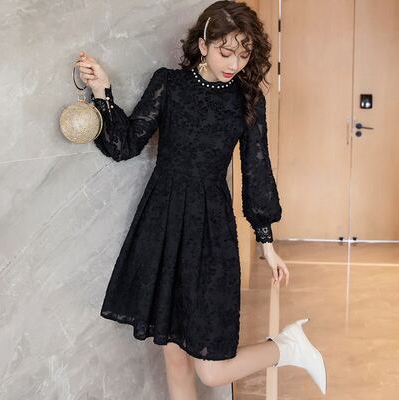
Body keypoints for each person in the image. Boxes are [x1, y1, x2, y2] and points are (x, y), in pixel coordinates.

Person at [75, 1, 327, 398]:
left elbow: (257, 169)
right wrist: (102, 91)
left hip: (211, 232)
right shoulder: (169, 85)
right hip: (162, 225)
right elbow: (126, 144)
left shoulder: (247, 100)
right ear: (204, 44)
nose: (234, 64)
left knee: (211, 371)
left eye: (243, 55)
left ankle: (287, 347)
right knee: (175, 360)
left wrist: (266, 242)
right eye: (226, 52)